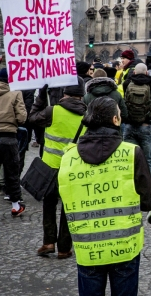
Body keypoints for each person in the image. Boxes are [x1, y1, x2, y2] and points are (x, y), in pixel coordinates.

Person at [58, 97, 151, 296]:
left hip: (88, 249)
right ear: (115, 120)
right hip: (124, 246)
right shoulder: (131, 152)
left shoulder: (68, 157)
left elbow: (66, 203)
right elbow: (147, 202)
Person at [29, 77, 88, 259]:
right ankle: (64, 248)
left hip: (50, 167)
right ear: (82, 95)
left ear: (64, 92)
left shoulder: (52, 111)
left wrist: (41, 95)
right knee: (68, 208)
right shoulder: (87, 116)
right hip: (73, 170)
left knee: (49, 204)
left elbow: (31, 118)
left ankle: (48, 242)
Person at [122, 61, 151, 172]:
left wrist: (133, 72)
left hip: (129, 126)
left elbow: (126, 79)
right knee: (147, 160)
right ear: (147, 73)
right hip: (145, 126)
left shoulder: (127, 84)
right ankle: (148, 185)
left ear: (134, 72)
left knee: (129, 158)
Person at [0, 68, 27, 216]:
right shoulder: (16, 93)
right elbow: (22, 117)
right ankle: (16, 205)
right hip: (9, 137)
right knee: (12, 172)